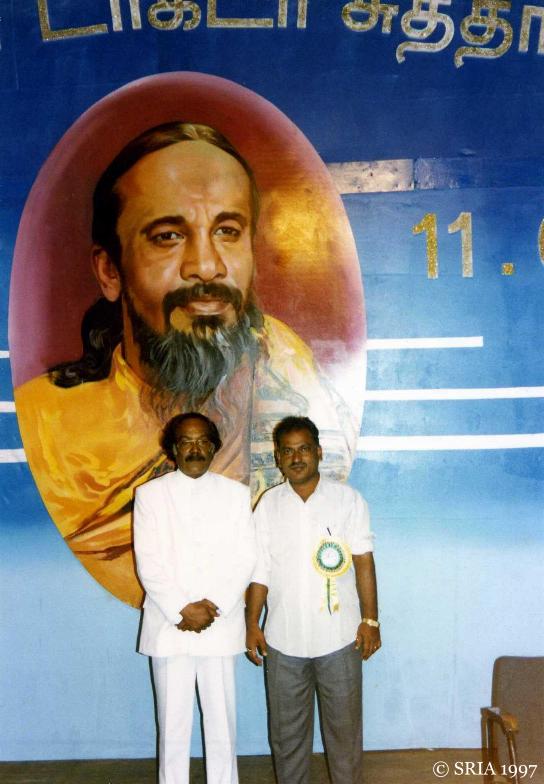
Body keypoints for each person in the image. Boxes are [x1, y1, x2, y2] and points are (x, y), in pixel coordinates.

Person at [14, 121, 356, 607]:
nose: (207, 266)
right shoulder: (50, 422)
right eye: (169, 236)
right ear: (110, 271)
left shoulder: (282, 362)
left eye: (228, 232)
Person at [245, 415, 380, 784]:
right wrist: (252, 624)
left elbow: (363, 562)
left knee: (345, 737)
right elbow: (259, 570)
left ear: (319, 452)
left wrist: (370, 620)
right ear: (277, 457)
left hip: (340, 639)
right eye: (287, 451)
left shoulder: (348, 500)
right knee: (286, 738)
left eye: (304, 449)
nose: (296, 457)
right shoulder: (268, 505)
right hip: (283, 641)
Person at [134, 411, 255, 784]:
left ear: (215, 447)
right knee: (172, 729)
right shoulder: (150, 495)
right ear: (173, 449)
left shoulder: (236, 495)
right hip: (169, 627)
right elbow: (148, 561)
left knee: (222, 726)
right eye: (186, 442)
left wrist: (211, 608)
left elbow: (244, 558)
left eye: (203, 441)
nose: (195, 449)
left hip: (219, 625)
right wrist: (181, 610)